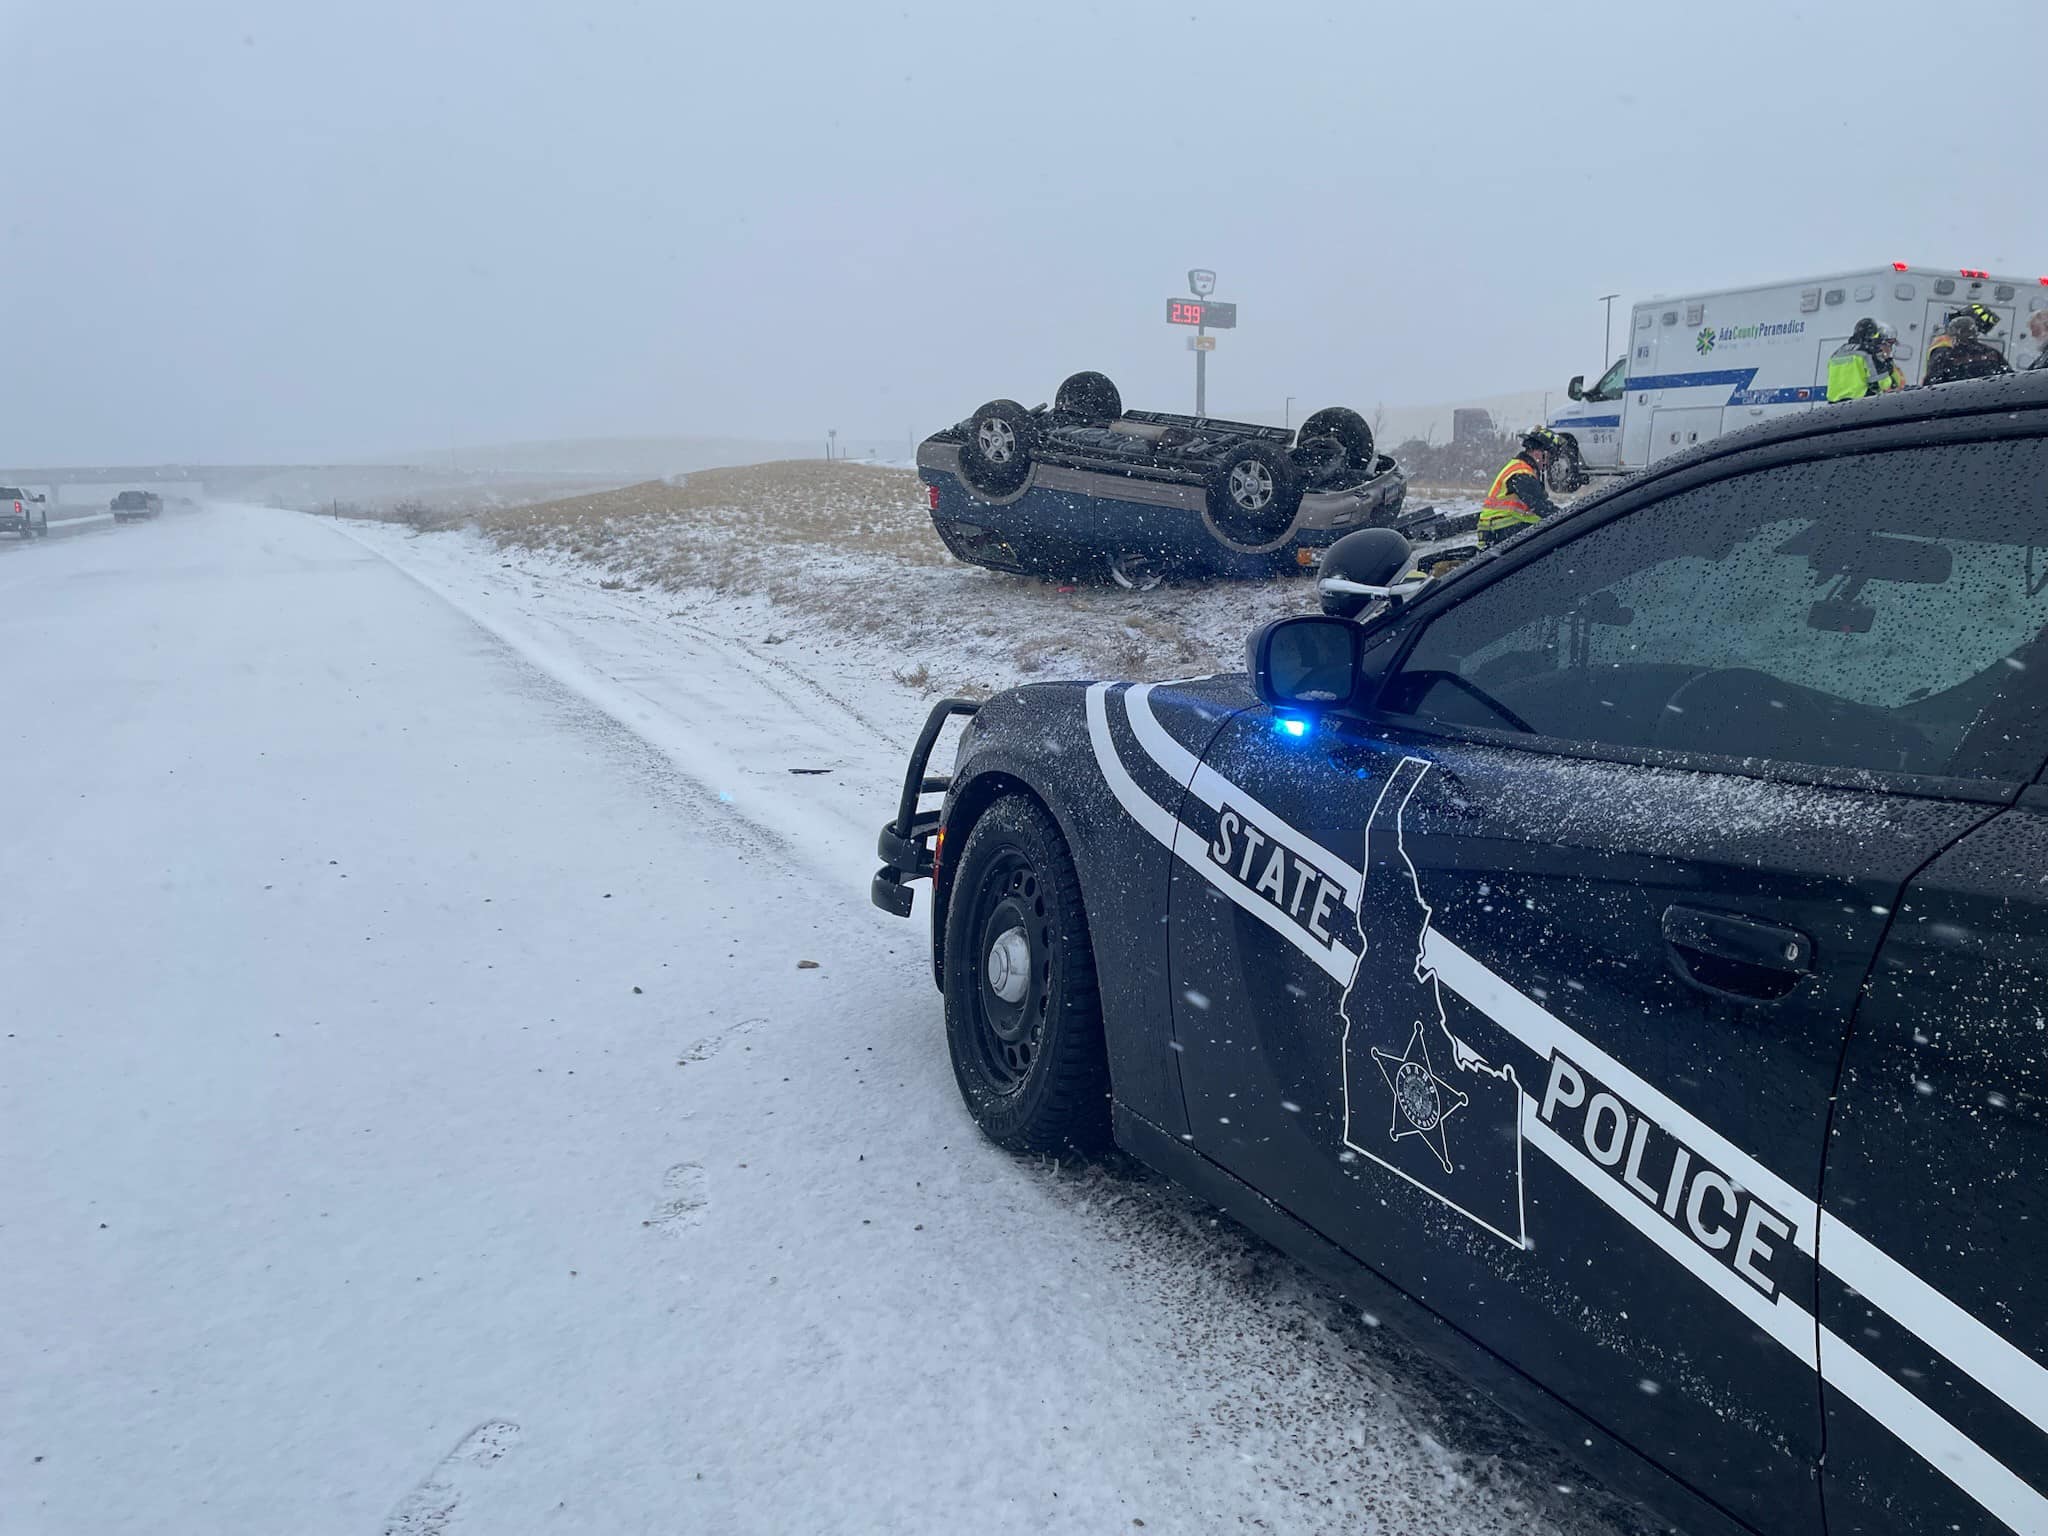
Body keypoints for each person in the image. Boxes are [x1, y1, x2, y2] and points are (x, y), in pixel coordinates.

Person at [1477, 428, 1564, 547]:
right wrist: (1566, 519)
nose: (1549, 463)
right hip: (1502, 530)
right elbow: (1540, 506)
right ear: (1538, 453)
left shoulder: (1522, 468)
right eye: (1550, 457)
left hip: (1500, 528)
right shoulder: (1521, 472)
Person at [1923, 304, 2013, 386]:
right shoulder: (1993, 353)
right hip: (1988, 397)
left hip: (1957, 397)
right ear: (1975, 333)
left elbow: (1932, 385)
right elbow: (2009, 379)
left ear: (1955, 334)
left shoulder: (1945, 356)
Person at [1827, 318, 1905, 401]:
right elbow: (1882, 385)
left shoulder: (1837, 353)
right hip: (1859, 404)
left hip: (1835, 405)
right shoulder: (1869, 352)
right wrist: (1888, 368)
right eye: (1888, 344)